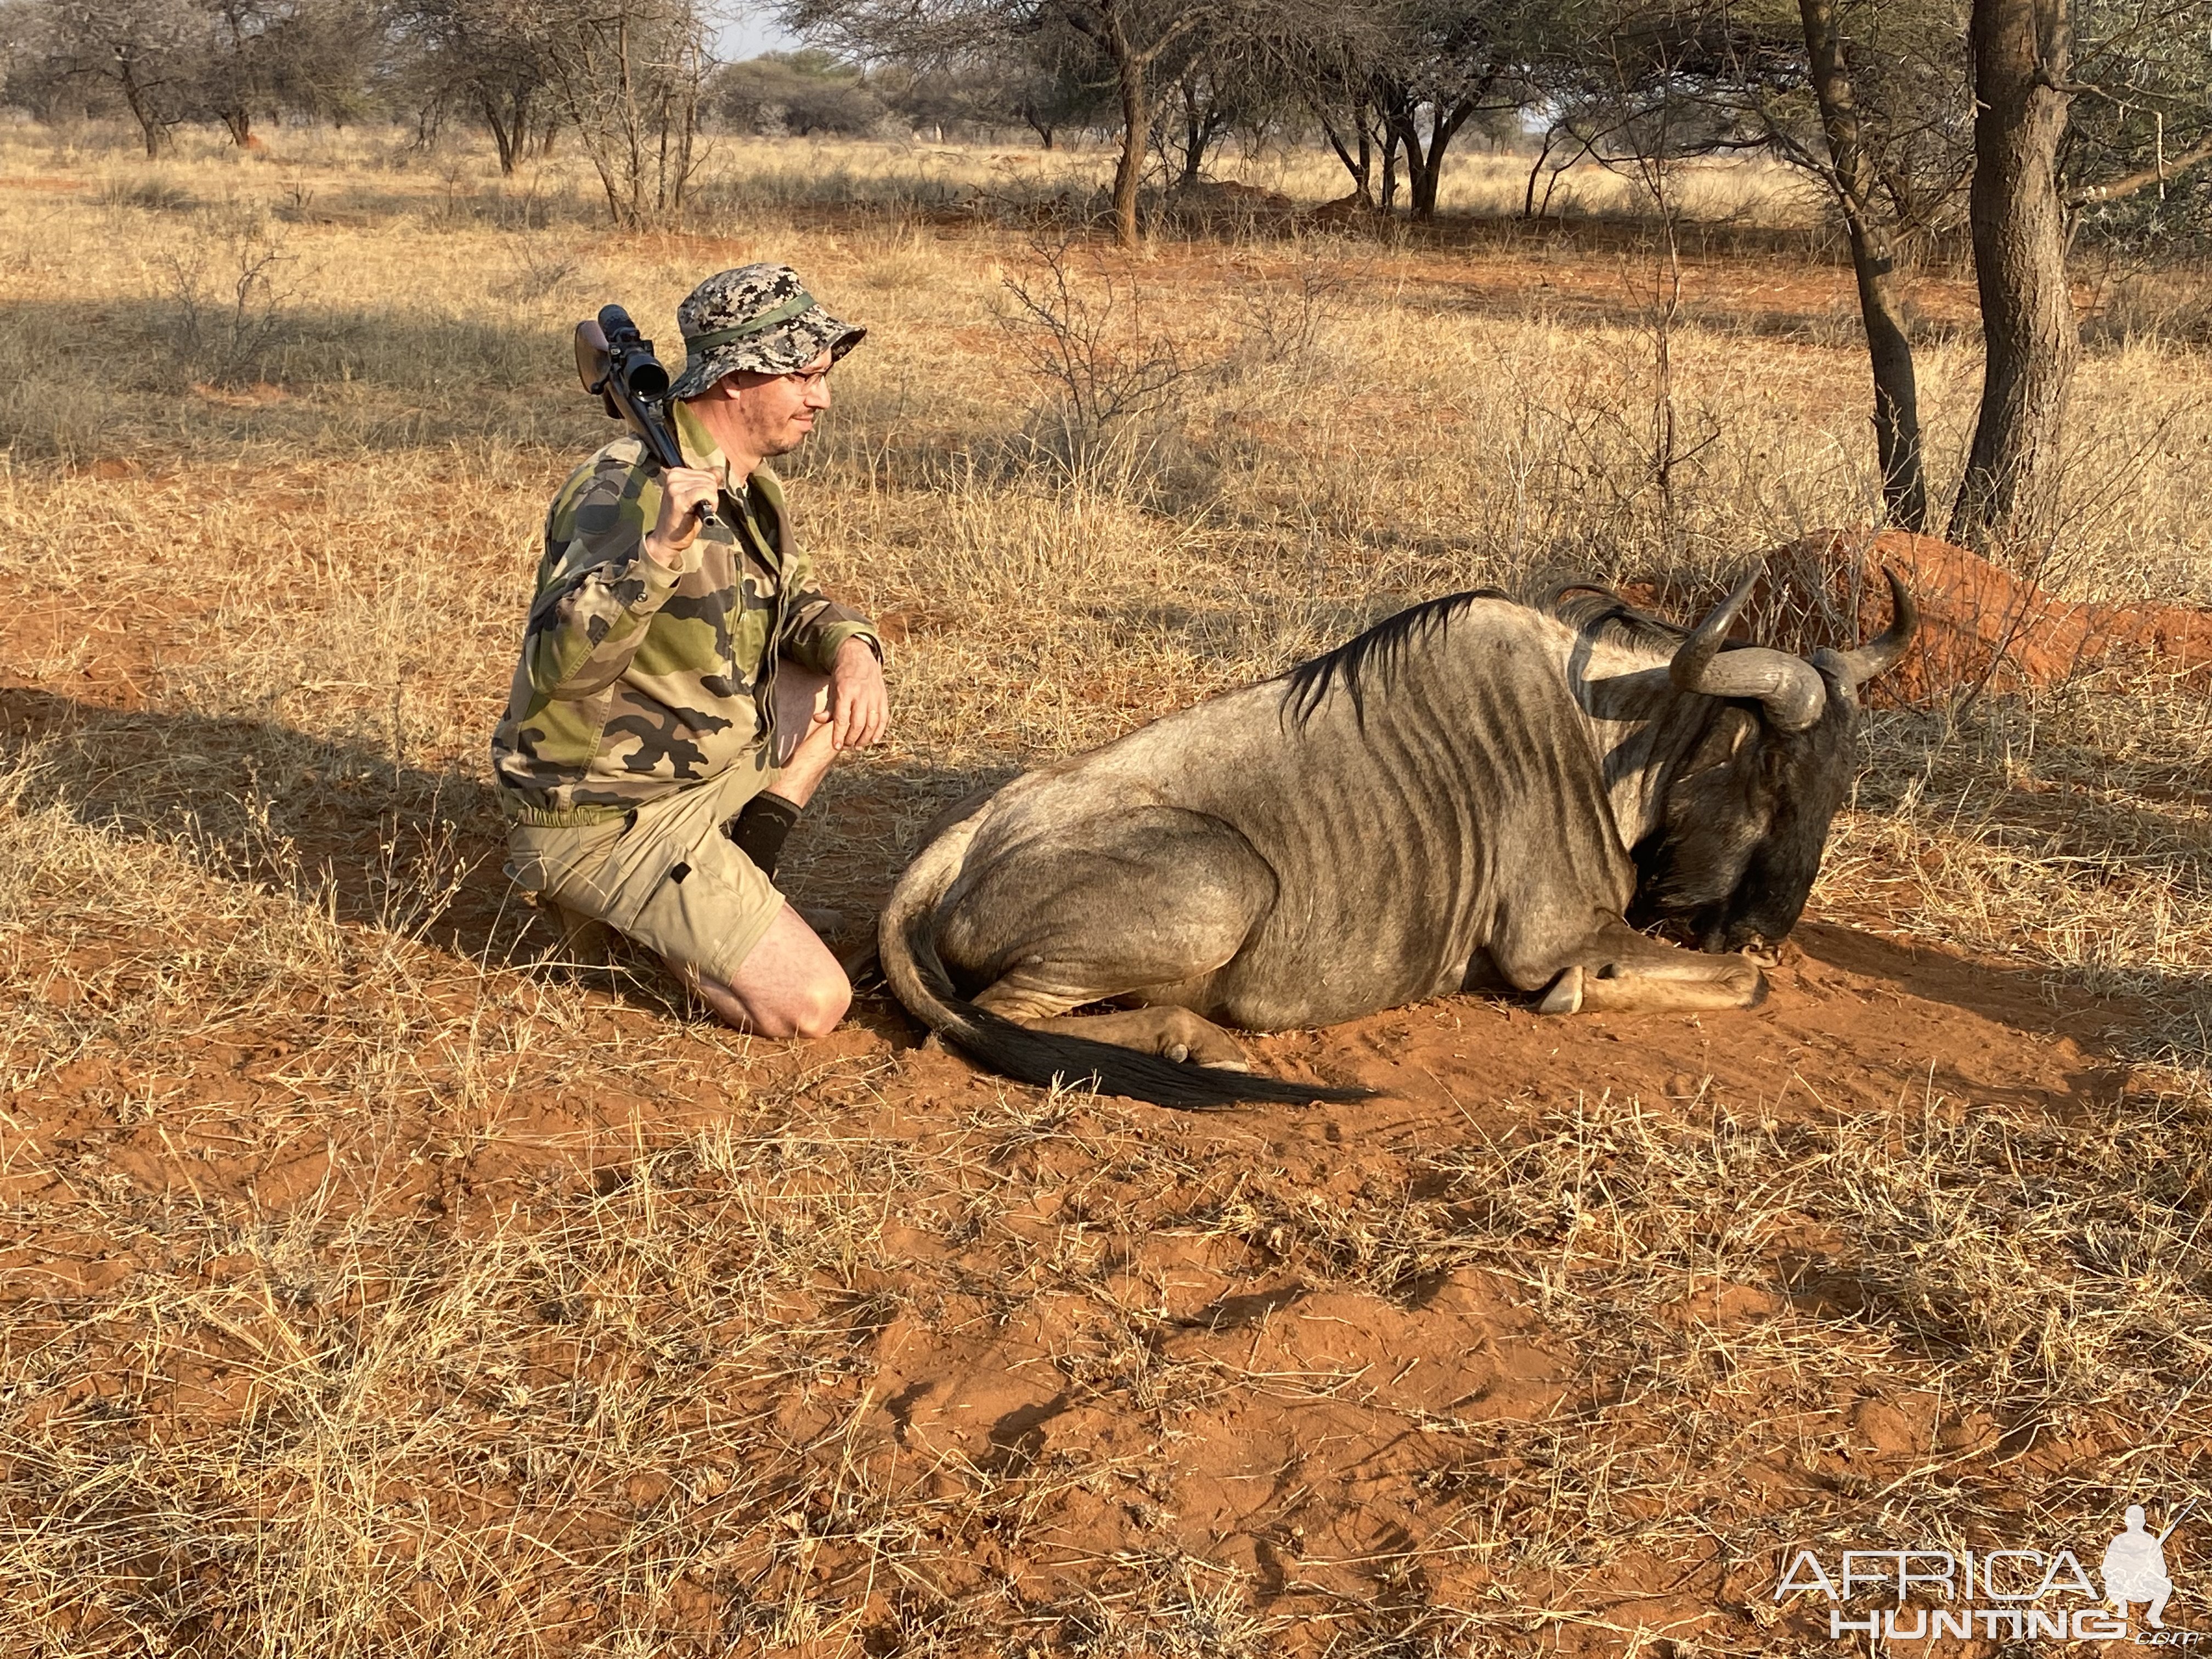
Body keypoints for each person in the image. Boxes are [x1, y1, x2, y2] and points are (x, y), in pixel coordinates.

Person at [491, 264, 888, 1037]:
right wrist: (658, 555)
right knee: (813, 1006)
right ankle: (611, 899)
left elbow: (794, 601)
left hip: (690, 773)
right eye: (804, 376)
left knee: (825, 687)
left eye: (824, 375)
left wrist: (853, 649)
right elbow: (554, 669)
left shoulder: (747, 483)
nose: (822, 398)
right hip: (602, 813)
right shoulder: (621, 492)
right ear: (738, 379)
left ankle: (735, 869)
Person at [2102, 1504, 2175, 1628]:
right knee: (2111, 1583)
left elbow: (2162, 1571)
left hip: (2142, 1586)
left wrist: (2148, 1570)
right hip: (2121, 1585)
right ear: (2126, 1521)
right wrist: (2123, 1572)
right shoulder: (2119, 1541)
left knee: (2166, 1584)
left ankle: (2154, 1615)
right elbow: (2106, 1569)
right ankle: (2121, 1608)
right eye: (2131, 1519)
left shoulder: (2151, 1542)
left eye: (2138, 1519)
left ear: (2143, 1521)